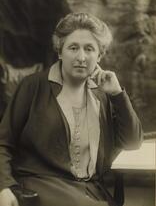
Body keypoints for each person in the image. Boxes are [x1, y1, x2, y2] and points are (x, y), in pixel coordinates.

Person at [0, 12, 143, 206]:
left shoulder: (102, 94)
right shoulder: (32, 87)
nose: (81, 57)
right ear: (60, 51)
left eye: (89, 49)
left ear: (99, 55)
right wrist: (3, 187)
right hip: (41, 186)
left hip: (89, 189)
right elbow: (3, 143)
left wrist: (117, 95)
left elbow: (132, 141)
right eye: (73, 48)